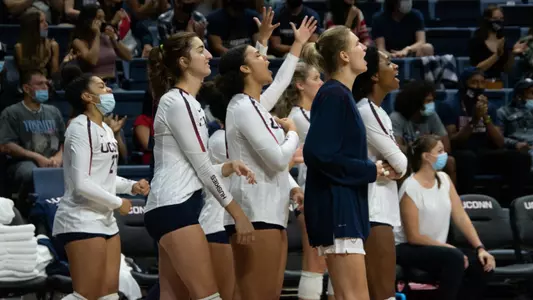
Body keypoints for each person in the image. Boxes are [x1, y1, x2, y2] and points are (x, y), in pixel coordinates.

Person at [144, 31, 256, 300]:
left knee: (173, 296)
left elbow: (192, 167)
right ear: (183, 61)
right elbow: (203, 168)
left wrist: (227, 167)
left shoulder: (181, 101)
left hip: (168, 206)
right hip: (174, 208)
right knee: (208, 296)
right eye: (200, 50)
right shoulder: (179, 102)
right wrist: (237, 213)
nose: (208, 55)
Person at [213, 15, 316, 299]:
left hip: (272, 211)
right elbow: (278, 159)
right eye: (260, 55)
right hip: (254, 213)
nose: (267, 59)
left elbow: (281, 82)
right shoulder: (243, 107)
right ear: (245, 68)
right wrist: (293, 133)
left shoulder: (254, 105)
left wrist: (297, 45)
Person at [302, 26, 384, 300]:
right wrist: (371, 169)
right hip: (338, 208)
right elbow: (318, 154)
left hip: (344, 205)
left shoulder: (339, 94)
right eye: (357, 43)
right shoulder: (334, 94)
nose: (364, 47)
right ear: (344, 56)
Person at [52, 73, 151, 300]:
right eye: (101, 86)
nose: (108, 90)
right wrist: (118, 203)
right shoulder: (78, 128)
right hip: (81, 218)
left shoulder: (106, 129)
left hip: (105, 220)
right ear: (87, 96)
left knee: (109, 295)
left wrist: (131, 187)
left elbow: (104, 178)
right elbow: (81, 183)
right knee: (87, 295)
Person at [395, 135, 496, 300]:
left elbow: (461, 216)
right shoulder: (410, 187)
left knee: (482, 264)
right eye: (440, 151)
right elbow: (414, 237)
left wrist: (480, 248)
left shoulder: (445, 179)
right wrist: (450, 248)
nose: (445, 155)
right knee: (454, 258)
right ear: (426, 156)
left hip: (437, 247)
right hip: (406, 247)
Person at [353, 47, 407, 300]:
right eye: (388, 62)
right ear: (374, 75)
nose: (395, 66)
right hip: (373, 210)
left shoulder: (377, 110)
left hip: (379, 208)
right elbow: (401, 163)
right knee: (383, 294)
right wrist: (392, 166)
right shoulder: (368, 111)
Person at [272, 62, 329, 300]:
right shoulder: (298, 117)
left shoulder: (312, 114)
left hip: (324, 190)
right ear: (300, 85)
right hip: (309, 192)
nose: (321, 83)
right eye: (316, 78)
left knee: (326, 262)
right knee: (315, 261)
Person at [438, 67, 531, 201]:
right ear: (464, 84)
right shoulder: (450, 105)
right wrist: (474, 120)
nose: (479, 86)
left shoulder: (490, 107)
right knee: (467, 157)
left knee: (520, 158)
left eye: (482, 83)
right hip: (462, 152)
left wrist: (485, 117)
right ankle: (468, 202)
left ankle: (516, 202)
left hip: (484, 152)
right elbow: (453, 141)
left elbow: (499, 142)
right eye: (474, 82)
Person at [0, 69, 65, 217]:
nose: (45, 87)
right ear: (26, 88)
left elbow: (65, 141)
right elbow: (5, 145)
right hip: (24, 162)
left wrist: (59, 157)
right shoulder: (11, 113)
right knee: (31, 173)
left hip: (54, 159)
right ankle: (28, 213)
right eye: (40, 84)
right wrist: (36, 157)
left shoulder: (53, 111)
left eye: (46, 84)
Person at [390, 81, 457, 184]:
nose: (432, 104)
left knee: (450, 161)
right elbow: (396, 147)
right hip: (409, 159)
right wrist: (422, 151)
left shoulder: (432, 116)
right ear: (416, 102)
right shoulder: (396, 118)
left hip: (429, 156)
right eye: (428, 101)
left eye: (433, 101)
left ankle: (449, 196)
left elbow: (446, 146)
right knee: (402, 163)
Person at [469, 5, 527, 88]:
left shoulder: (503, 40)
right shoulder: (476, 41)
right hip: (480, 84)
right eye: (495, 19)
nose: (499, 21)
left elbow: (506, 69)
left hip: (498, 84)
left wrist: (513, 54)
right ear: (487, 19)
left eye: (501, 19)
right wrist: (497, 55)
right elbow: (477, 69)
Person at [15, 10, 59, 78]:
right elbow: (25, 72)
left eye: (46, 21)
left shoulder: (53, 46)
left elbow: (55, 76)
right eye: (41, 22)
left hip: (46, 83)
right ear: (31, 26)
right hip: (27, 83)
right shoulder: (20, 47)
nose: (46, 24)